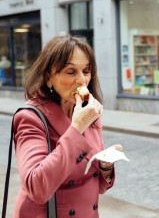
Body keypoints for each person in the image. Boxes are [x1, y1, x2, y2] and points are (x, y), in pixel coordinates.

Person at [13, 35, 122, 217]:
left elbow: (97, 185)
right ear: (48, 77)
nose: (81, 80)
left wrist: (105, 166)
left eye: (86, 71)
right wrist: (77, 128)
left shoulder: (89, 111)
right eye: (71, 72)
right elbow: (37, 188)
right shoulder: (31, 118)